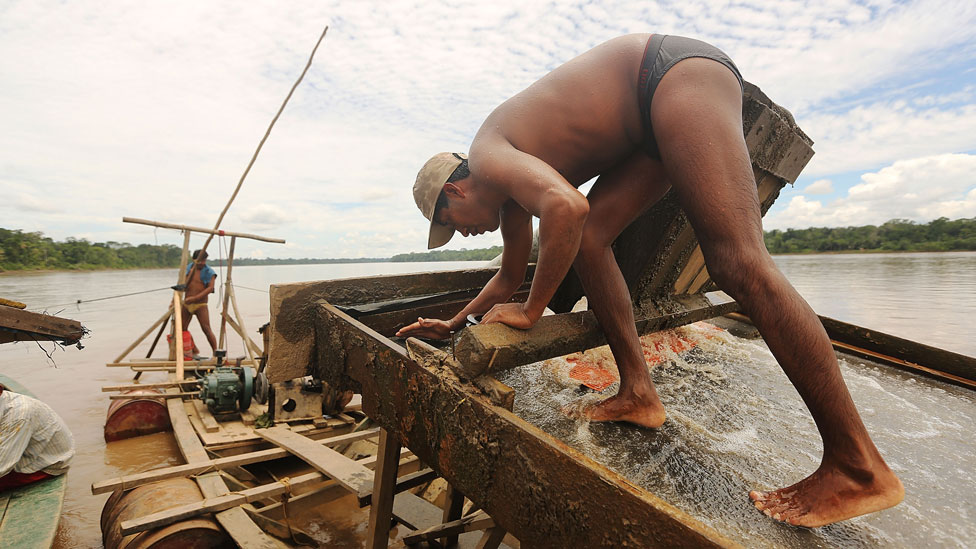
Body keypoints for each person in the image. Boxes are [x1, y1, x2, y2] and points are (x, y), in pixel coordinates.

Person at [396, 34, 903, 527]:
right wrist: (454, 322)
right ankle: (639, 393)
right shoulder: (508, 194)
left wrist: (532, 313)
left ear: (456, 192)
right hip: (648, 121)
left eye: (451, 225)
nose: (461, 234)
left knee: (737, 262)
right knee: (593, 240)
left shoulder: (487, 154)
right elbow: (509, 276)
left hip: (670, 77)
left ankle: (858, 467)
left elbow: (566, 206)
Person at [0, 382, 74, 491]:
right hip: (22, 454)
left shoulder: (18, 415)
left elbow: (2, 465)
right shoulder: (6, 402)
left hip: (44, 466)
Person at [182, 249, 218, 355]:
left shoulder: (209, 272)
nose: (202, 263)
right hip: (186, 303)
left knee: (206, 329)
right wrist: (172, 301)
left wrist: (195, 298)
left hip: (200, 304)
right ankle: (194, 350)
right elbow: (181, 284)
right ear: (194, 260)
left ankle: (215, 353)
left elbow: (210, 288)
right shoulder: (188, 269)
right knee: (182, 329)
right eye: (200, 261)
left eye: (204, 260)